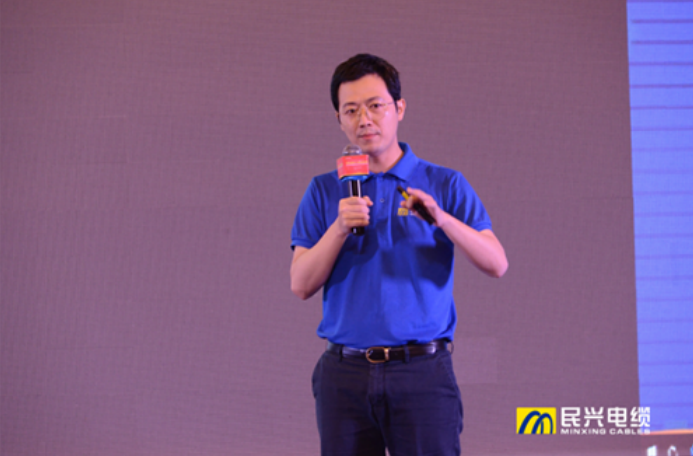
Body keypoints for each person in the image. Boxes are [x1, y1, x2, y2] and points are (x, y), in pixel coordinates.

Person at [290, 54, 508, 456]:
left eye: (375, 106)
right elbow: (300, 284)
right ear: (339, 119)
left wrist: (442, 218)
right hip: (345, 375)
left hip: (421, 372)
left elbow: (497, 263)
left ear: (400, 108)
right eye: (351, 110)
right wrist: (339, 228)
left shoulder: (444, 182)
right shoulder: (324, 190)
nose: (364, 119)